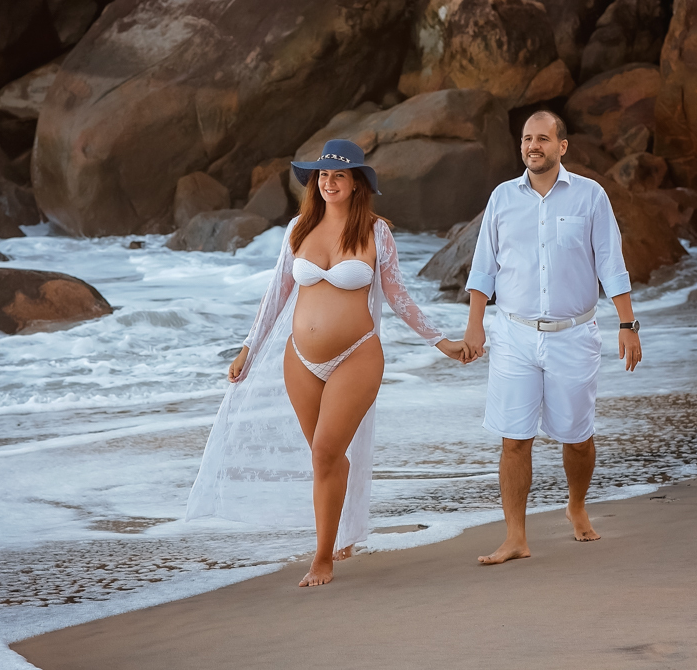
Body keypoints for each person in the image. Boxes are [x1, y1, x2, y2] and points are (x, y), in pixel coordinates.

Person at [187, 139, 470, 587]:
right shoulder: (299, 227)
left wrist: (441, 340)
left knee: (324, 452)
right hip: (299, 360)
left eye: (339, 175)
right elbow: (276, 296)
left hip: (356, 353)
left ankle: (323, 558)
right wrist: (248, 348)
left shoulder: (377, 233)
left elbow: (397, 295)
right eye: (322, 175)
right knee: (327, 459)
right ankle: (345, 525)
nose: (329, 182)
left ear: (357, 183)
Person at [462, 110, 642, 565]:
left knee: (577, 438)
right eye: (526, 139)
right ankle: (516, 537)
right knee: (513, 439)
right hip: (514, 336)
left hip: (574, 335)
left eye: (542, 138)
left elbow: (610, 264)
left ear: (562, 146)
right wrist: (475, 323)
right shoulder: (502, 199)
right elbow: (484, 268)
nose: (532, 146)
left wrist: (627, 325)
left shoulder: (590, 197)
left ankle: (576, 506)